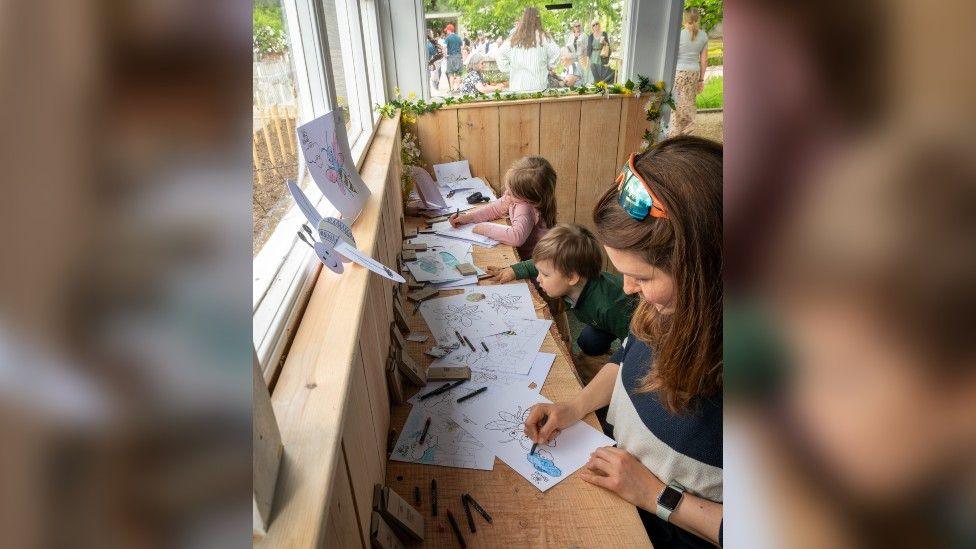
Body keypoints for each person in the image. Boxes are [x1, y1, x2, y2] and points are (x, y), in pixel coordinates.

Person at [524, 137, 723, 547]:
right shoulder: (664, 309)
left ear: (707, 269)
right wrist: (576, 406)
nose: (628, 288)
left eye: (643, 278)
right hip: (619, 496)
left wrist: (656, 495)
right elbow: (627, 356)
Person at [484, 223, 637, 381]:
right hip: (601, 320)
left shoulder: (609, 307)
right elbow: (538, 264)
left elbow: (633, 342)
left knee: (627, 363)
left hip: (634, 323)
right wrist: (513, 271)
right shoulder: (570, 279)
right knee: (587, 341)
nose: (538, 278)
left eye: (545, 275)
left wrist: (620, 368)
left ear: (571, 277)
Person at [448, 156, 556, 258]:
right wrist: (468, 217)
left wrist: (486, 228)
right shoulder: (516, 198)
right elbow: (495, 209)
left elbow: (516, 238)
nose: (506, 192)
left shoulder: (525, 208)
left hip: (535, 265)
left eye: (511, 191)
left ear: (527, 196)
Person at [495, 7, 560, 93]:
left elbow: (500, 54)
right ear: (538, 19)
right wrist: (548, 66)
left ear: (523, 19)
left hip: (517, 87)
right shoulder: (543, 37)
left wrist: (509, 69)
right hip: (538, 87)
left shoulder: (514, 38)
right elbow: (556, 53)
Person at [668, 9, 709, 137]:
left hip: (679, 73)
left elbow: (671, 57)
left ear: (685, 20)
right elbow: (704, 60)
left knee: (676, 104)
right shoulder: (703, 36)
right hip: (693, 73)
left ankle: (674, 135)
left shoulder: (678, 35)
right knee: (689, 101)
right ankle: (687, 134)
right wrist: (701, 80)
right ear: (698, 19)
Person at [586, 19, 614, 84]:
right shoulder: (591, 36)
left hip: (601, 55)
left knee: (600, 71)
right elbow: (589, 49)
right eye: (593, 25)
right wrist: (587, 60)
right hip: (593, 56)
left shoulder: (604, 33)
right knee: (592, 72)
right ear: (592, 27)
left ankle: (600, 85)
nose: (595, 26)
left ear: (599, 24)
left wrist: (604, 42)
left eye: (596, 24)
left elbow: (608, 46)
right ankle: (592, 86)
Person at [443, 23, 463, 91]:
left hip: (450, 57)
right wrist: (461, 56)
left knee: (451, 74)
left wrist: (445, 55)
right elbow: (461, 47)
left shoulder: (447, 38)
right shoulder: (458, 37)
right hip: (458, 57)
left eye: (447, 30)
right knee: (458, 74)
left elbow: (444, 47)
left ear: (449, 30)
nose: (446, 32)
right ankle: (457, 88)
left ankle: (451, 89)